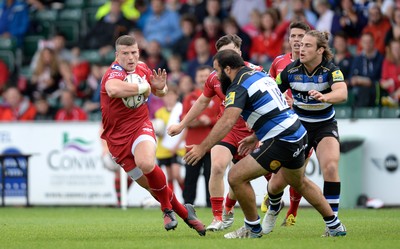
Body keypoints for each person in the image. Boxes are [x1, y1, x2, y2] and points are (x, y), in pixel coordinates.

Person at [184, 49, 346, 239]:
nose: (216, 77)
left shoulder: (238, 86)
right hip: (298, 132)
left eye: (217, 71)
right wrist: (254, 137)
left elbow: (227, 121)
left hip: (282, 138)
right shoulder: (258, 74)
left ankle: (252, 228)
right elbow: (273, 105)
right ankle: (335, 225)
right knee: (299, 182)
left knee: (236, 176)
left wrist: (202, 147)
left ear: (228, 69)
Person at [100, 35, 205, 236]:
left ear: (138, 52)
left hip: (140, 126)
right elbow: (113, 90)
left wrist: (160, 87)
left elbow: (161, 92)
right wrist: (144, 87)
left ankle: (166, 210)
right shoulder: (112, 73)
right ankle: (186, 214)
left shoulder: (141, 67)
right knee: (151, 187)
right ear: (117, 55)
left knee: (147, 163)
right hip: (116, 140)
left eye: (134, 52)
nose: (130, 57)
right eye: (125, 53)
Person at [168, 34, 263, 232]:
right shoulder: (215, 77)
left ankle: (231, 206)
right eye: (221, 53)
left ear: (239, 51)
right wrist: (182, 124)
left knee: (247, 179)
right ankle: (218, 217)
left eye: (230, 51)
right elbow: (202, 101)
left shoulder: (257, 72)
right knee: (218, 167)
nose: (225, 56)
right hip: (227, 130)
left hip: (252, 132)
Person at [268, 30, 348, 235]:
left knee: (330, 167)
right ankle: (275, 206)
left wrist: (325, 97)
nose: (301, 48)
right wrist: (281, 102)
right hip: (298, 128)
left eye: (307, 45)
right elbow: (272, 92)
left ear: (320, 50)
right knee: (276, 184)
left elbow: (342, 93)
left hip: (324, 125)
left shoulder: (331, 70)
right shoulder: (289, 71)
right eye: (300, 45)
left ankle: (333, 223)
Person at [260, 21, 311, 227]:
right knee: (264, 161)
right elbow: (270, 88)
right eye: (293, 36)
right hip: (279, 121)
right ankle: (275, 193)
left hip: (305, 122)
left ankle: (292, 212)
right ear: (288, 39)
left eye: (301, 36)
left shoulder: (314, 63)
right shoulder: (279, 61)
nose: (297, 40)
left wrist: (297, 102)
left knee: (297, 171)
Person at [181, 65, 220, 208]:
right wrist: (194, 121)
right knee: (190, 178)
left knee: (212, 177)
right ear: (196, 78)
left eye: (206, 75)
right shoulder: (189, 97)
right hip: (192, 145)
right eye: (200, 76)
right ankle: (187, 207)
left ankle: (212, 206)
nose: (203, 78)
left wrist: (209, 121)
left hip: (212, 145)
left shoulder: (217, 97)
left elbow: (224, 118)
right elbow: (183, 118)